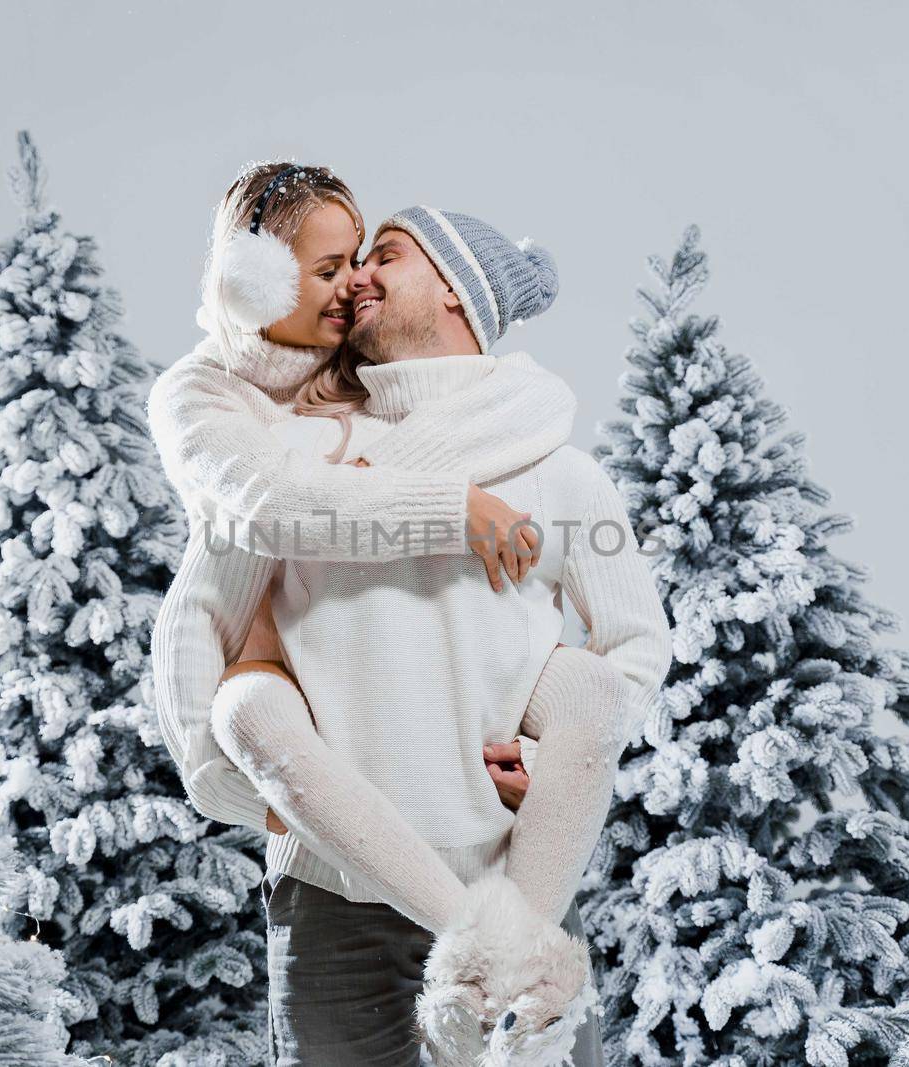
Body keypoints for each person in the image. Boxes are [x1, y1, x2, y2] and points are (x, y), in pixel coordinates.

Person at [151, 169, 671, 1066]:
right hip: (335, 893)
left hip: (516, 872)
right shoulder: (306, 452)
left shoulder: (561, 470)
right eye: (348, 262)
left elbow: (635, 648)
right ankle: (502, 948)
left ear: (457, 297)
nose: (355, 279)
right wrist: (233, 772)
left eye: (382, 256)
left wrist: (548, 765)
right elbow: (209, 605)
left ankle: (506, 949)